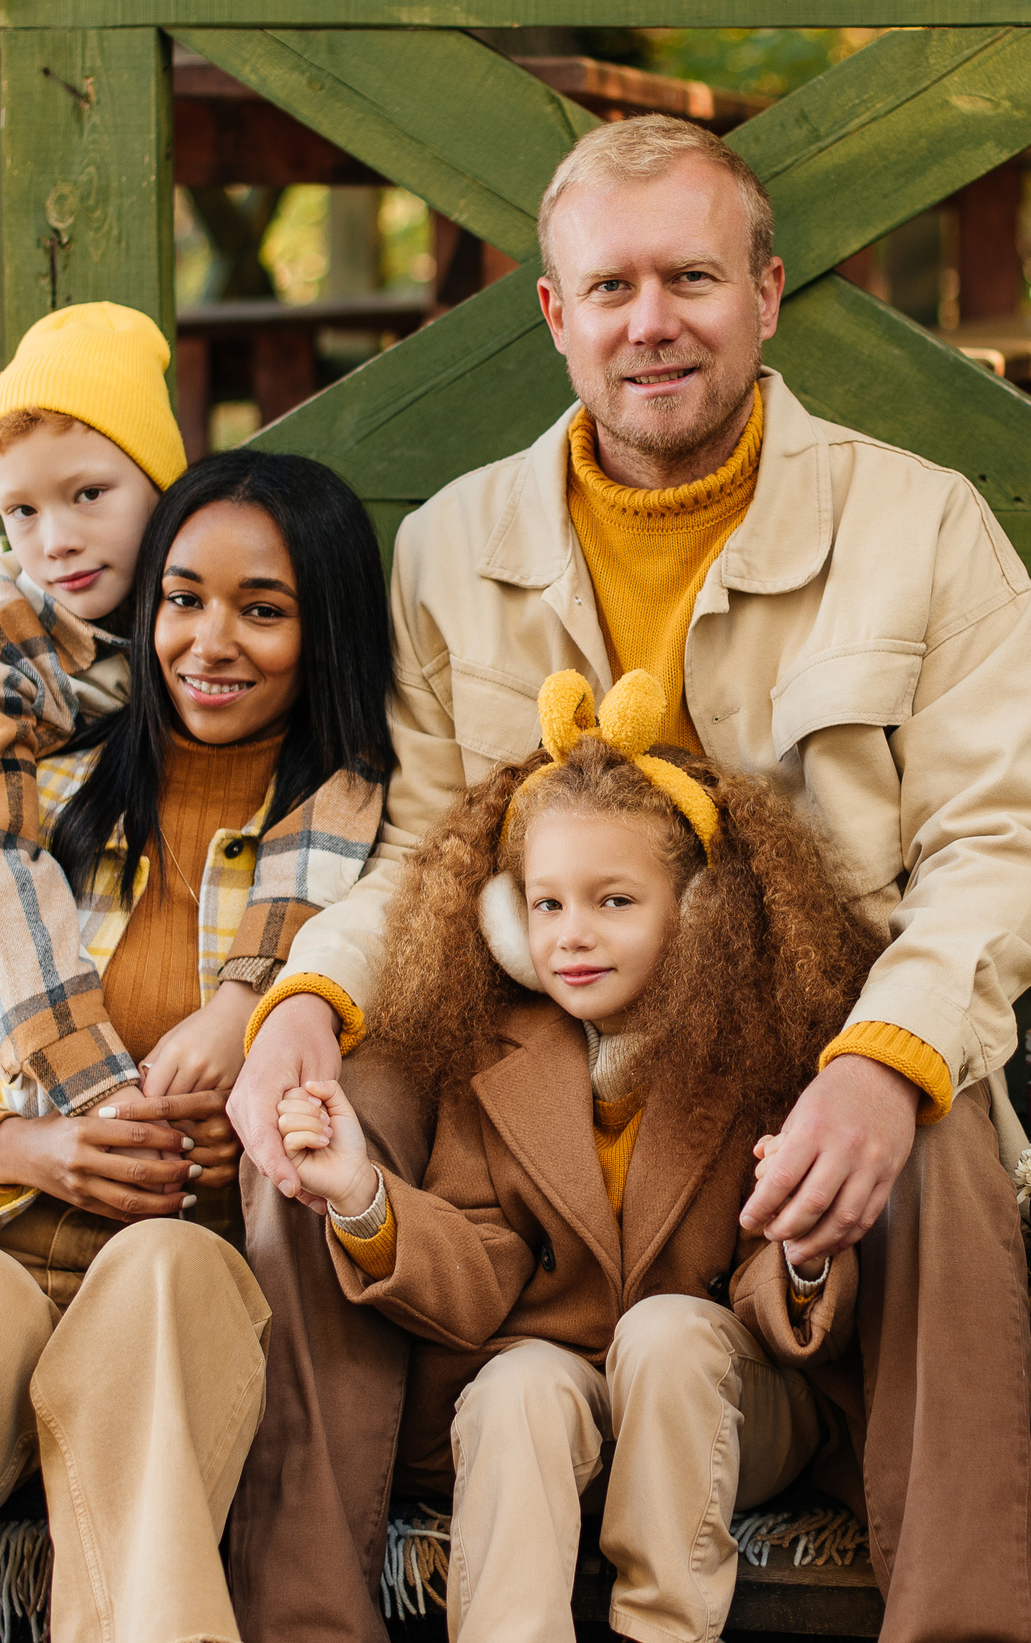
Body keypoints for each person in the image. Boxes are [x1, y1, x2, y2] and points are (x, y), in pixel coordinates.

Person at [226, 115, 1031, 1643]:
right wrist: (306, 995)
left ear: (766, 292)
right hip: (529, 1033)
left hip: (816, 1025)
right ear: (555, 316)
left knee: (943, 1109)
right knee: (309, 1115)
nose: (652, 321)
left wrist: (886, 1059)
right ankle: (300, 1616)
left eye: (690, 276)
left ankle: (956, 1624)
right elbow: (424, 851)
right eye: (609, 286)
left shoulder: (919, 525)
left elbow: (1002, 844)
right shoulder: (454, 546)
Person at [0, 450, 395, 1643]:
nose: (209, 641)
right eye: (181, 598)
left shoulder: (358, 858)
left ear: (324, 632)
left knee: (158, 1272)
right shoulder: (16, 830)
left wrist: (264, 1138)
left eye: (262, 609)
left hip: (195, 1276)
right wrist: (22, 1144)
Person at [276, 668, 879, 1643]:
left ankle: (661, 1627)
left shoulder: (760, 1051)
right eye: (546, 904)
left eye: (612, 900)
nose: (573, 935)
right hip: (551, 1391)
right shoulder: (487, 1057)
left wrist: (806, 1254)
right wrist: (361, 1192)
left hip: (719, 1404)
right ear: (510, 919)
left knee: (670, 1335)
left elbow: (774, 1289)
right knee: (518, 1384)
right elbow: (472, 1278)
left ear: (698, 909)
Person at [0, 301, 350, 1149]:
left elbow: (330, 791)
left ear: (163, 487)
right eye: (20, 512)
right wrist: (85, 1078)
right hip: (62, 948)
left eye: (89, 494)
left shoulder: (224, 586)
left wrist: (247, 996)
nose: (55, 540)